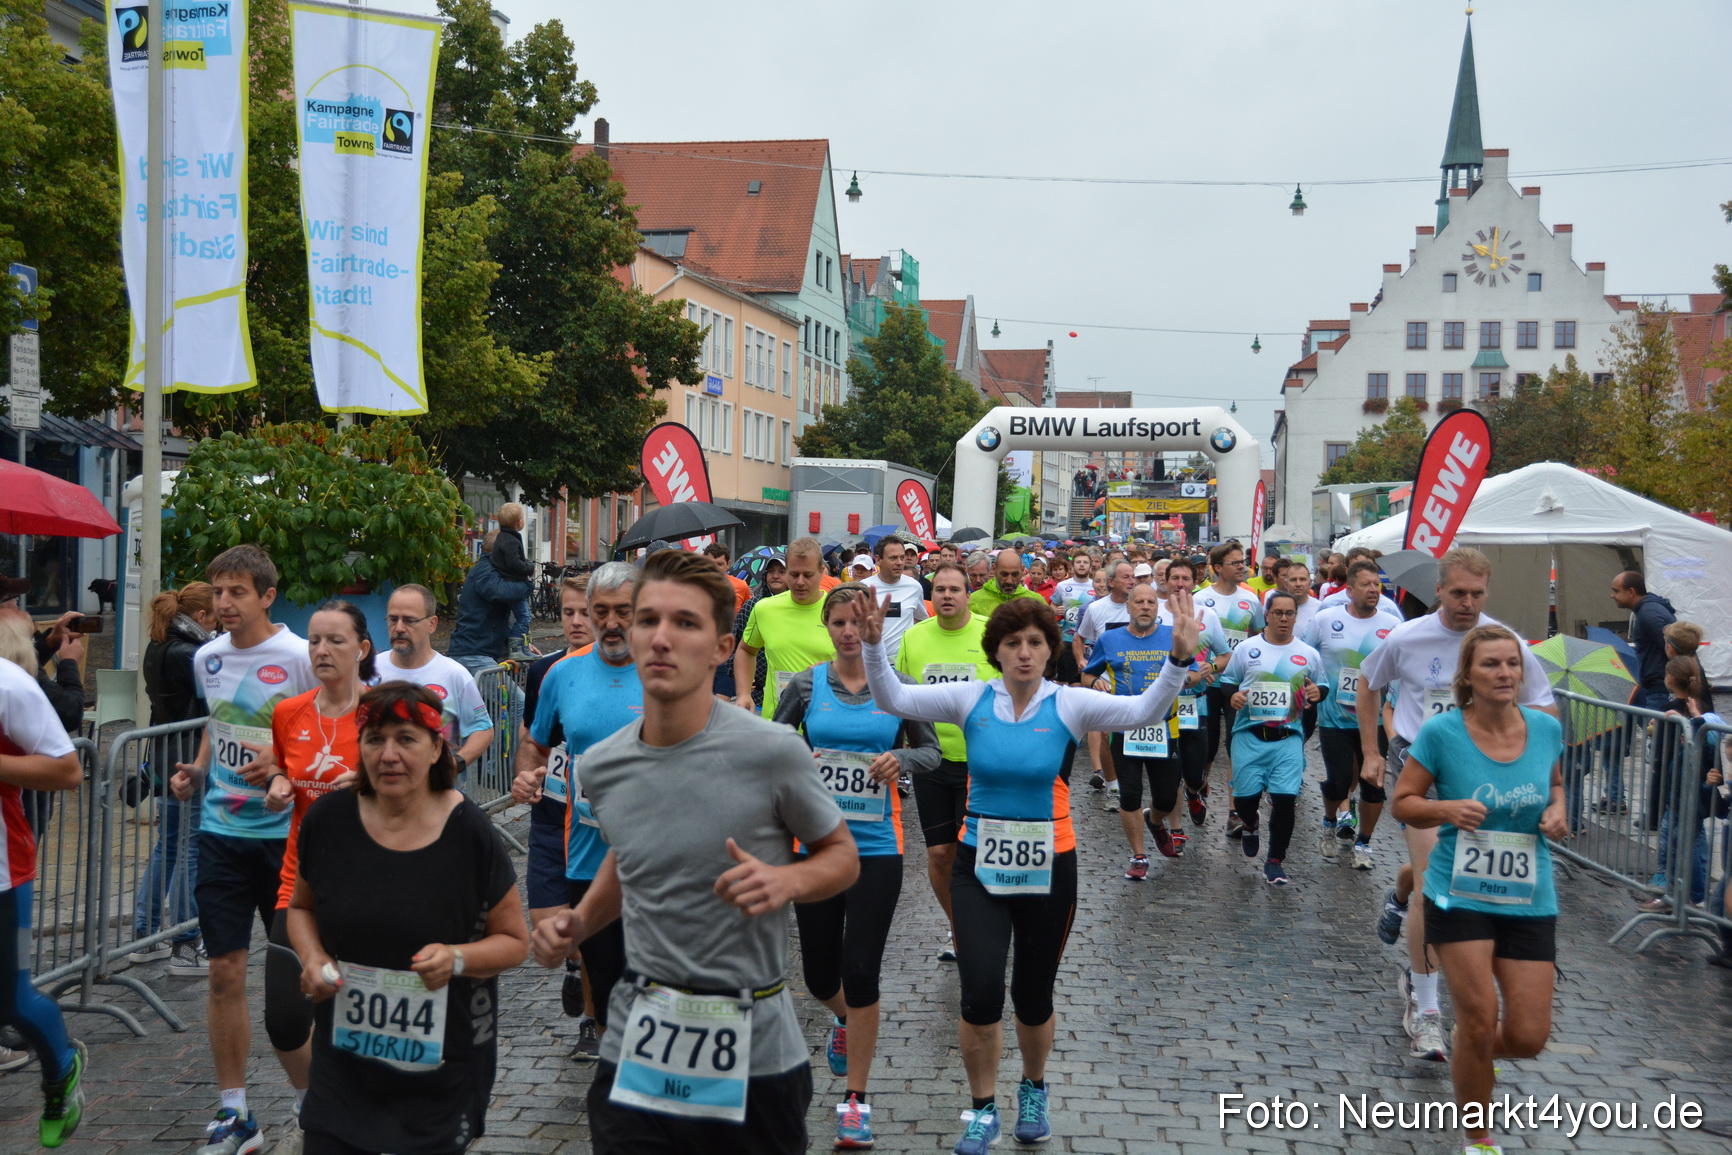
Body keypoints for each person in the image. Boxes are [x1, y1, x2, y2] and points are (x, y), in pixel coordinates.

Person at [532, 549, 858, 1154]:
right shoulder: (601, 765)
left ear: (721, 649)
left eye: (685, 623)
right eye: (647, 620)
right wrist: (578, 921)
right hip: (641, 1036)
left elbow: (842, 856)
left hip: (753, 1047)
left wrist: (788, 881)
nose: (661, 638)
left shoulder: (773, 750)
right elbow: (631, 857)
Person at [856, 592, 1198, 1154]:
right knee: (981, 991)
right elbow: (892, 697)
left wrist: (1177, 662)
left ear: (1049, 650)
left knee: (1033, 994)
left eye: (1034, 643)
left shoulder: (1069, 703)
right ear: (996, 651)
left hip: (1051, 864)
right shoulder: (971, 698)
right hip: (978, 865)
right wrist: (874, 647)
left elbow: (1144, 713)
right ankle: (983, 1109)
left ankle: (1034, 1088)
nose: (1023, 653)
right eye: (1012, 643)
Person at [289, 683, 528, 1155]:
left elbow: (515, 942)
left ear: (437, 746)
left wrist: (457, 958)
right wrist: (313, 960)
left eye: (406, 738)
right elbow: (300, 908)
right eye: (375, 739)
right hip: (345, 1064)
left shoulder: (470, 834)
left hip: (440, 1065)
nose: (389, 754)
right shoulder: (329, 820)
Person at [1355, 547, 1555, 1065]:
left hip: (1488, 775)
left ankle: (1400, 890)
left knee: (1448, 871)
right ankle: (1425, 1010)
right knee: (1433, 888)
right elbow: (1367, 684)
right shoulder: (1407, 636)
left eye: (1477, 594)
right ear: (1438, 590)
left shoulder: (1501, 642)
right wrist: (1373, 751)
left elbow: (1543, 706)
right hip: (1424, 767)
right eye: (1458, 592)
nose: (1468, 603)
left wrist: (1548, 786)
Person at [1391, 625, 1567, 1155]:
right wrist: (1445, 809)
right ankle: (1479, 1139)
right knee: (1476, 1016)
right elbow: (1403, 801)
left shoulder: (1544, 729)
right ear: (1468, 675)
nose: (1505, 673)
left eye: (1512, 663)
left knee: (1529, 1037)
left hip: (1528, 896)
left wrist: (1558, 810)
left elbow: (1555, 784)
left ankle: (1470, 1053)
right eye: (1492, 664)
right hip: (1458, 892)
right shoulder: (1442, 733)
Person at [775, 585, 940, 1148]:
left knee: (861, 969)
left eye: (857, 621)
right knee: (821, 975)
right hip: (816, 848)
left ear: (872, 623)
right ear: (826, 626)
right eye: (839, 622)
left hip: (876, 847)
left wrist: (903, 759)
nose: (849, 631)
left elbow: (933, 750)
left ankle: (856, 1100)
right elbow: (776, 744)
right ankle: (844, 1020)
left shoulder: (895, 688)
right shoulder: (806, 685)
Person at [167, 546, 318, 1154]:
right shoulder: (206, 658)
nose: (223, 604)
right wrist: (199, 771)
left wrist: (285, 766)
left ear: (266, 596)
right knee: (224, 971)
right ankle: (236, 1113)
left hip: (288, 844)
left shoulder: (301, 655)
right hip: (222, 836)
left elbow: (328, 722)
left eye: (235, 592)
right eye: (217, 592)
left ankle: (313, 1100)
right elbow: (218, 720)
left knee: (295, 980)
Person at [511, 561, 640, 1063]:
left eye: (623, 612)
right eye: (601, 611)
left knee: (650, 986)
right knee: (606, 989)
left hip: (654, 862)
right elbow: (534, 744)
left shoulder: (666, 669)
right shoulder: (561, 675)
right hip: (587, 857)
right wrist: (528, 773)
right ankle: (613, 1076)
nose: (611, 623)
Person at [260, 600, 374, 1149]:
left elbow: (433, 784)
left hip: (374, 887)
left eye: (335, 641)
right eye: (314, 641)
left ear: (362, 649)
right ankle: (315, 1100)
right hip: (300, 886)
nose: (322, 651)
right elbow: (285, 768)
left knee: (358, 1017)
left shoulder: (386, 714)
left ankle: (372, 1115)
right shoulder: (290, 712)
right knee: (284, 1018)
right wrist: (280, 782)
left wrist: (372, 786)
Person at [0, 619, 88, 1146]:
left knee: (11, 1001)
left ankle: (60, 1070)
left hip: (3, 873)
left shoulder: (9, 685)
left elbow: (67, 771)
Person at [894, 561, 998, 965]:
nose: (948, 596)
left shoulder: (990, 633)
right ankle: (960, 928)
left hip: (981, 763)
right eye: (940, 590)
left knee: (977, 852)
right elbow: (900, 699)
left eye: (955, 589)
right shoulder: (915, 637)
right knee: (939, 853)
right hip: (932, 762)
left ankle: (989, 921)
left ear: (968, 595)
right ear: (931, 596)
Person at [511, 573, 593, 1031]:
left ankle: (591, 1020)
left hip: (595, 822)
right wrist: (525, 775)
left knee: (594, 924)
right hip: (550, 813)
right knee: (551, 930)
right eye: (568, 612)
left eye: (586, 612)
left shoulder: (633, 672)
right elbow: (531, 740)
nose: (577, 622)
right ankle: (577, 965)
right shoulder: (546, 670)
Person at [132, 583, 216, 969]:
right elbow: (211, 706)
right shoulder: (192, 654)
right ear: (200, 617)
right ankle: (185, 940)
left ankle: (146, 934)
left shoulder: (159, 645)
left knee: (168, 848)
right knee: (188, 851)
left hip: (168, 756)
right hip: (189, 761)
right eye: (214, 615)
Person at [1216, 591, 1324, 886]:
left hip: (1288, 737)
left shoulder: (1309, 654)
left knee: (1285, 799)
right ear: (1267, 615)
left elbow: (1321, 686)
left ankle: (1275, 860)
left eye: (1290, 613)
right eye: (1278, 613)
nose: (1284, 619)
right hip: (1249, 735)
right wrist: (1234, 695)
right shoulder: (1247, 649)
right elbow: (1227, 682)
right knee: (1245, 800)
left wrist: (1317, 693)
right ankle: (1250, 822)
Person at [1301, 559, 1402, 870]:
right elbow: (1305, 655)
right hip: (1335, 719)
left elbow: (1401, 670)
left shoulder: (1392, 624)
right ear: (1349, 589)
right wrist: (1311, 687)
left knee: (1374, 784)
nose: (1373, 589)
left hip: (1374, 721)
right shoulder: (1326, 619)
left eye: (1377, 584)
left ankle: (1364, 843)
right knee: (1339, 781)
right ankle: (1331, 821)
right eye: (1366, 584)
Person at [1083, 584, 1186, 878]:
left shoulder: (1172, 636)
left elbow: (1193, 668)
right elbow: (1088, 672)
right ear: (1128, 606)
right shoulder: (1110, 638)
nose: (1144, 606)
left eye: (1150, 602)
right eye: (1138, 601)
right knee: (1130, 795)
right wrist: (1094, 683)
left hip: (1165, 729)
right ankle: (1139, 856)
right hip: (1124, 728)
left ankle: (1154, 821)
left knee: (1166, 798)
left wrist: (1191, 677)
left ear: (1158, 607)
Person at [374, 584, 495, 784]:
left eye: (410, 620)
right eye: (393, 619)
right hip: (381, 795)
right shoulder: (370, 671)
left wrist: (455, 764)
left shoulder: (454, 674)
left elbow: (483, 729)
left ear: (432, 624)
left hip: (437, 799)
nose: (399, 628)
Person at [1196, 542, 1265, 838]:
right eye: (1235, 563)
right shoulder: (1200, 599)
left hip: (1238, 683)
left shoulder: (1251, 600)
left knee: (1235, 745)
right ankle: (1198, 790)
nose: (1242, 567)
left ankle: (1234, 811)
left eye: (1243, 562)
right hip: (1208, 681)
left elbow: (1259, 637)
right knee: (1208, 747)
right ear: (1218, 567)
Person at [734, 537, 836, 719]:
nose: (800, 582)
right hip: (778, 724)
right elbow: (746, 650)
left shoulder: (839, 610)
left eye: (808, 575)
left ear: (822, 572)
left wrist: (833, 669)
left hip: (826, 724)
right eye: (794, 574)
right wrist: (743, 693)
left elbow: (864, 665)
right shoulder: (765, 609)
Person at [1074, 561, 1135, 802]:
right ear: (1111, 582)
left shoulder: (1140, 606)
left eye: (1133, 576)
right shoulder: (1097, 609)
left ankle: (1129, 778)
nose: (1132, 581)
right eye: (1126, 577)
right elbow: (1079, 637)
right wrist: (1082, 662)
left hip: (1136, 681)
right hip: (1105, 681)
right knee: (1108, 733)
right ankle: (1112, 784)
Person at [448, 531, 534, 672]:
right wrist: (528, 585)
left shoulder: (491, 571)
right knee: (516, 695)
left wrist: (522, 645)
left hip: (480, 653)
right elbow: (502, 592)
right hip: (473, 655)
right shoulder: (485, 572)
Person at [860, 537, 930, 661]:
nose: (899, 562)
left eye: (901, 558)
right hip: (870, 661)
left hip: (903, 661)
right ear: (878, 560)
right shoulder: (864, 587)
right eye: (893, 558)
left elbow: (921, 620)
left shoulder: (914, 587)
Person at [731, 557, 787, 712]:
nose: (775, 576)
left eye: (781, 572)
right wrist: (743, 681)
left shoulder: (799, 609)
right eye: (771, 572)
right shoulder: (752, 606)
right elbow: (735, 646)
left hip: (792, 695)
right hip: (757, 698)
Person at [491, 502, 538, 660]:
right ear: (519, 522)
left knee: (522, 616)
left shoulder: (502, 537)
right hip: (513, 584)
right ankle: (516, 647)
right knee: (524, 616)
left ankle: (523, 647)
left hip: (508, 582)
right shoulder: (511, 540)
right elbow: (514, 564)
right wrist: (529, 567)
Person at [969, 551, 1045, 619]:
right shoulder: (972, 601)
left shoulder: (1037, 602)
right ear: (994, 569)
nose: (1009, 581)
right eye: (1004, 574)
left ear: (1022, 570)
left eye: (1015, 574)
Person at [705, 542, 752, 613]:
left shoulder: (741, 586)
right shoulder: (694, 586)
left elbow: (749, 615)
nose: (714, 568)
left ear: (728, 564)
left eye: (719, 564)